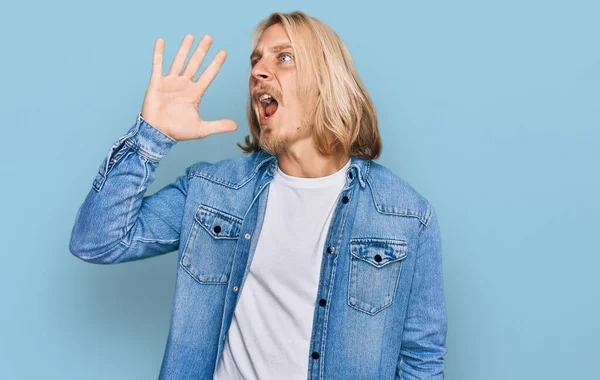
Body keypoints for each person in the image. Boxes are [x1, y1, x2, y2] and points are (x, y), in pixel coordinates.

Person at [69, 10, 447, 380]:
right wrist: (151, 136)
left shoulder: (406, 217)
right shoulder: (213, 191)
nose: (258, 72)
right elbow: (97, 242)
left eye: (284, 58)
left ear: (327, 81)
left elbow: (422, 360)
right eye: (256, 60)